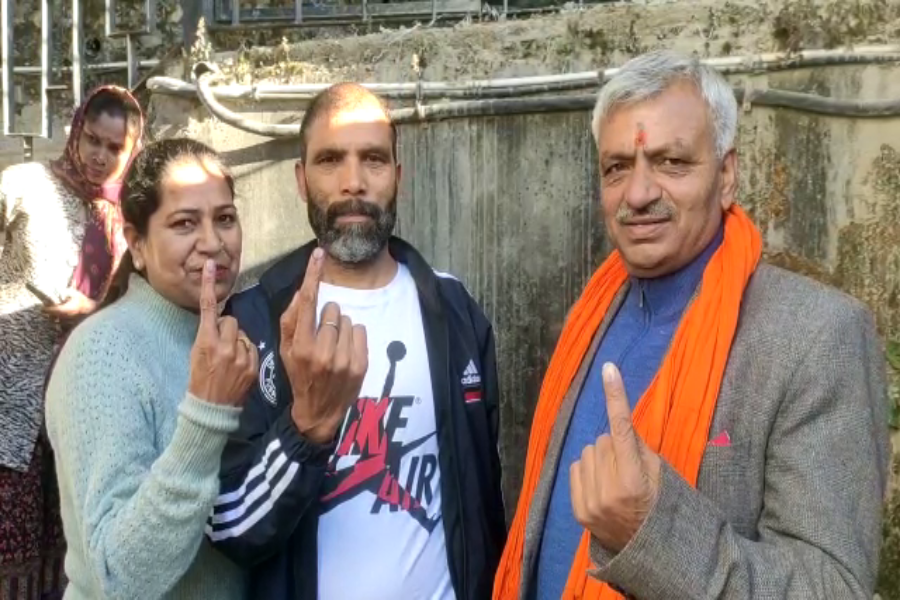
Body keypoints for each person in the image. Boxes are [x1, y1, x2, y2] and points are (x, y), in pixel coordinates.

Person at [492, 49, 890, 600]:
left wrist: (651, 533)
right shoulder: (590, 317)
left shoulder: (817, 337)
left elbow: (833, 587)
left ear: (727, 176)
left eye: (672, 162)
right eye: (618, 168)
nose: (638, 193)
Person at [203, 83, 507, 599]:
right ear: (301, 179)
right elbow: (229, 525)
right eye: (329, 160)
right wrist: (307, 430)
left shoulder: (455, 312)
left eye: (373, 160)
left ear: (398, 177)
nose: (353, 182)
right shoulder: (253, 321)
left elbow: (484, 500)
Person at [44, 138, 257, 599]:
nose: (213, 243)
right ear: (136, 244)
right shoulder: (102, 352)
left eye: (225, 218)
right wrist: (206, 413)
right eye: (184, 223)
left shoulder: (233, 334)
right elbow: (120, 577)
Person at [0, 85, 143, 599]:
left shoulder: (125, 224)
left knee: (63, 546)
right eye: (92, 140)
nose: (99, 156)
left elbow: (128, 311)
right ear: (76, 131)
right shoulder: (25, 184)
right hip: (9, 401)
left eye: (114, 148)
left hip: (76, 404)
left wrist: (91, 310)